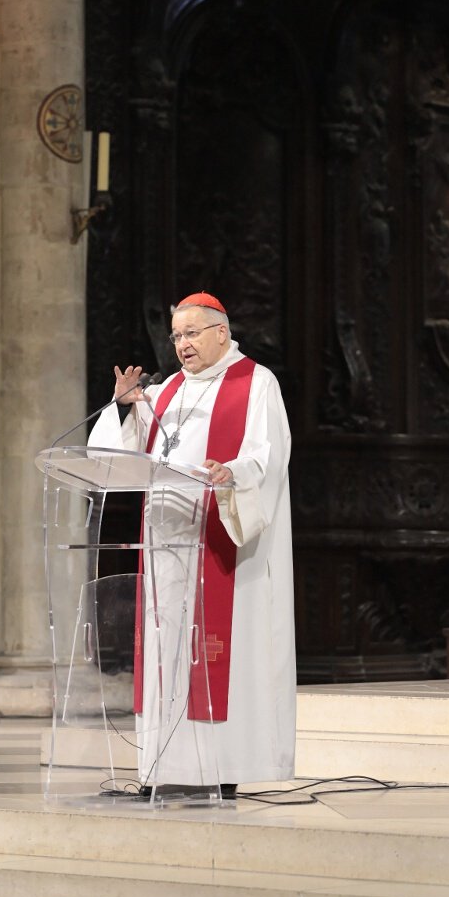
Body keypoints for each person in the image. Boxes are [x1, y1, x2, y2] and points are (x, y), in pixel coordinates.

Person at [88, 292, 295, 793]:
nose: (183, 344)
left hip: (222, 541)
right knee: (168, 653)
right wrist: (125, 409)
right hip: (165, 549)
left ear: (221, 332)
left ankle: (223, 772)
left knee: (219, 652)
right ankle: (165, 770)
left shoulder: (256, 383)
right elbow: (117, 456)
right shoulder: (165, 392)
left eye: (192, 333)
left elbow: (270, 458)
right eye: (177, 335)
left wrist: (232, 472)